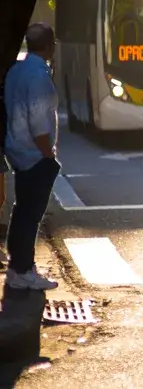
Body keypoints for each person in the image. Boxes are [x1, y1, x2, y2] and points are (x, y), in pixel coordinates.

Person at [3, 23, 61, 290]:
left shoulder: (16, 70)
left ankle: (18, 268)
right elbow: (39, 122)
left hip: (16, 149)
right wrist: (48, 154)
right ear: (50, 46)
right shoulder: (38, 76)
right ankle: (23, 270)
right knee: (30, 214)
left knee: (21, 210)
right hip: (34, 153)